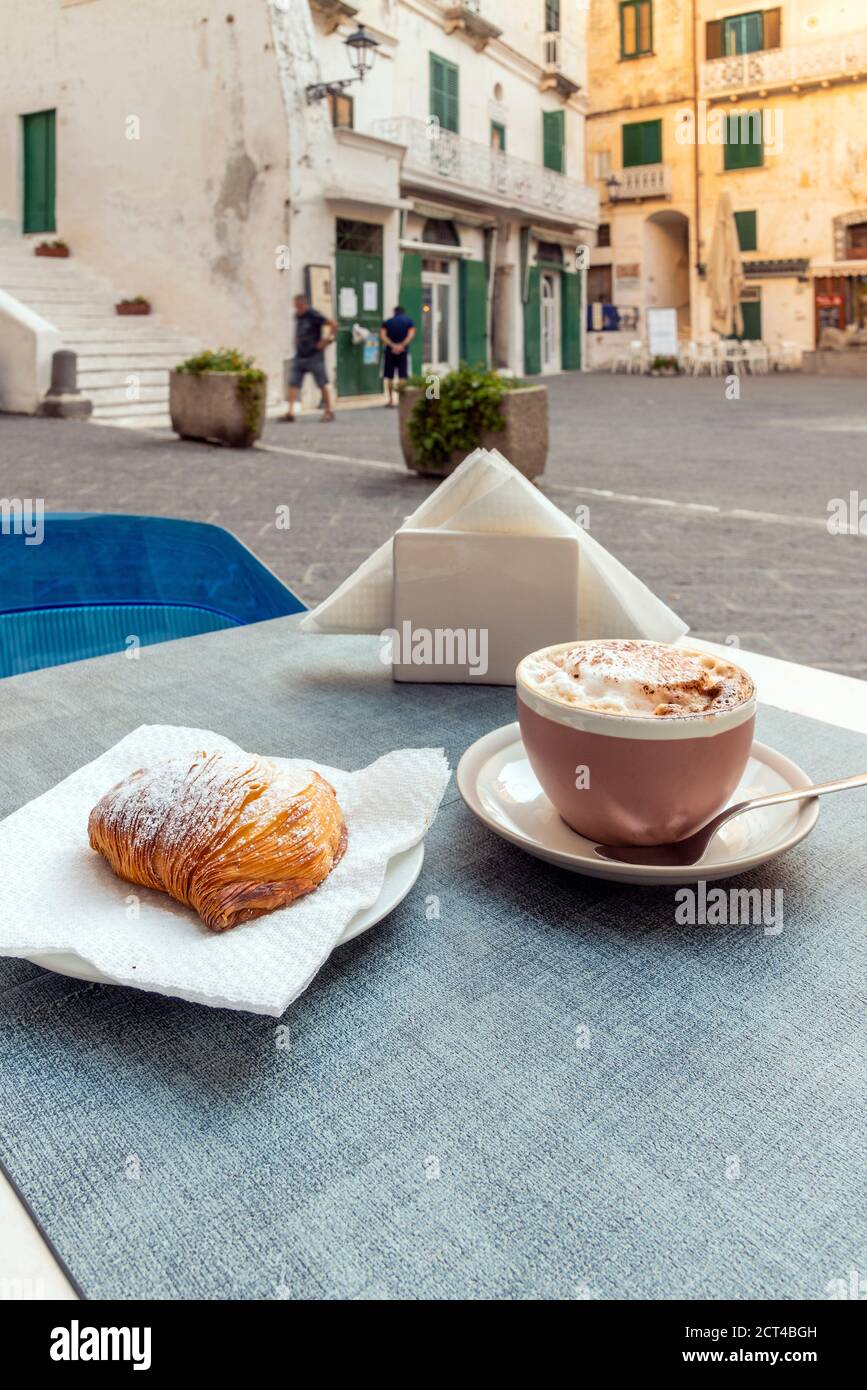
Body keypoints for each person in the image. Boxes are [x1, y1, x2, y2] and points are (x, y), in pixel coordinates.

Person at [284, 294, 338, 423]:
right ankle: (290, 412)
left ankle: (329, 410)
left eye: (298, 306)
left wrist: (326, 341)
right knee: (293, 382)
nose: (296, 309)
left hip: (314, 355)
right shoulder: (298, 316)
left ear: (303, 304)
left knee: (322, 383)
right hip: (300, 355)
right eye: (295, 306)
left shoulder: (313, 314)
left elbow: (334, 324)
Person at [380, 304, 416, 407]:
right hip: (403, 351)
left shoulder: (387, 322)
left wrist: (392, 345)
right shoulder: (409, 322)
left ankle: (391, 400)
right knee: (402, 376)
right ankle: (402, 400)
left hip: (389, 352)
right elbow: (411, 335)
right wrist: (401, 346)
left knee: (389, 376)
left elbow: (383, 335)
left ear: (394, 312)